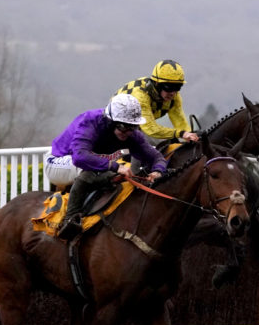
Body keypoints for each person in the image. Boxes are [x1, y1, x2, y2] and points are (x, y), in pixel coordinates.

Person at [44, 93, 168, 240]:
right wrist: (114, 166)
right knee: (90, 170)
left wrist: (158, 171)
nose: (127, 132)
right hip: (57, 160)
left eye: (132, 127)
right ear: (111, 120)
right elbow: (80, 157)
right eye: (123, 127)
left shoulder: (130, 134)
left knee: (112, 173)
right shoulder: (91, 121)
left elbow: (156, 157)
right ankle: (70, 220)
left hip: (83, 161)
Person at [114, 59, 200, 148]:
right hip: (118, 127)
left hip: (138, 125)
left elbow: (180, 122)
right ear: (156, 84)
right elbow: (150, 129)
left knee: (172, 141)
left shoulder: (174, 96)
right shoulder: (140, 96)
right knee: (148, 146)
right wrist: (181, 134)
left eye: (177, 87)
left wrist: (191, 136)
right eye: (169, 87)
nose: (172, 93)